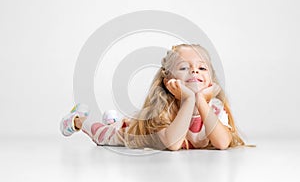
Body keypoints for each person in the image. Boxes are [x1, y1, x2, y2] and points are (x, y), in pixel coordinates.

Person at [60, 44, 245, 151]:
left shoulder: (215, 108)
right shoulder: (164, 108)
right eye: (183, 68)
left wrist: (200, 101)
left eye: (202, 68)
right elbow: (173, 144)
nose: (194, 70)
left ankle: (112, 119)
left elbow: (222, 143)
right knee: (104, 137)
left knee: (118, 123)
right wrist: (188, 100)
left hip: (198, 103)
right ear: (169, 81)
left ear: (210, 80)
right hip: (131, 133)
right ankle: (78, 119)